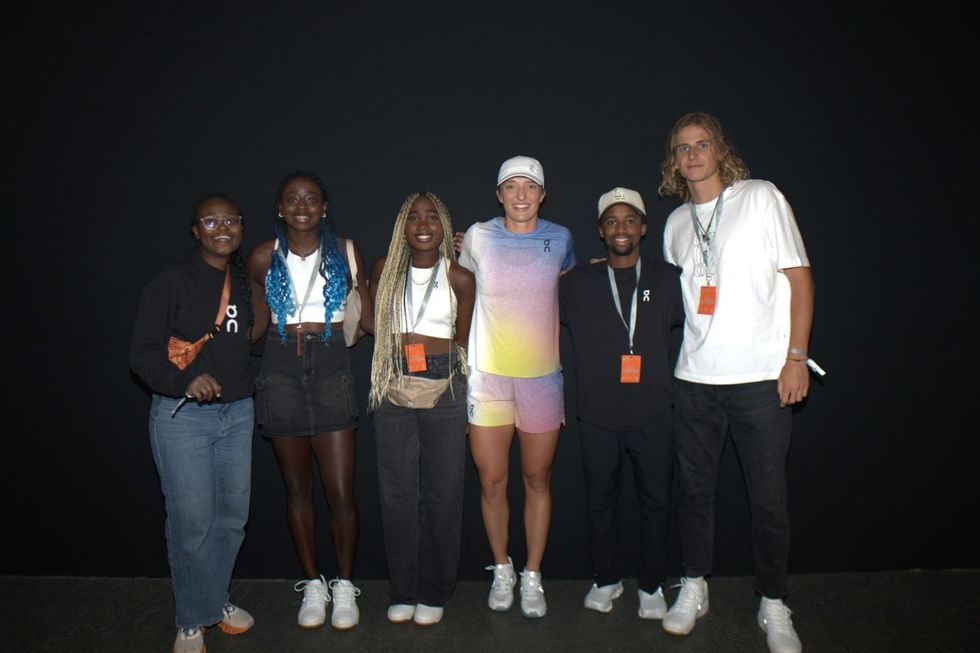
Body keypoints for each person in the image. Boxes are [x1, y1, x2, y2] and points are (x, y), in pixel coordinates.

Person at [657, 112, 814, 653]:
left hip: (760, 379)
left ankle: (773, 602)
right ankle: (694, 586)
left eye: (702, 145)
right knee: (694, 493)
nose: (693, 154)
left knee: (768, 500)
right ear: (673, 161)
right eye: (683, 148)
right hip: (694, 379)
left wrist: (796, 356)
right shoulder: (676, 224)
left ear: (720, 151)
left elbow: (799, 276)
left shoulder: (761, 197)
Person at [246, 171, 373, 631]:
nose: (302, 205)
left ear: (324, 207)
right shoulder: (262, 256)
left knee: (341, 491)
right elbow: (255, 327)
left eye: (312, 198)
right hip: (280, 366)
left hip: (331, 362)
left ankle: (343, 584)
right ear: (280, 208)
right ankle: (313, 584)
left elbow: (373, 320)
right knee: (298, 490)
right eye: (292, 199)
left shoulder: (345, 252)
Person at [130, 193, 256, 653]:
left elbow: (245, 341)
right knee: (191, 524)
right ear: (195, 229)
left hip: (238, 414)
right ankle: (189, 619)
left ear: (241, 227)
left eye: (231, 221)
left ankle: (213, 601)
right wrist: (183, 380)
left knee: (230, 520)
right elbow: (141, 354)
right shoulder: (171, 281)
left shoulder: (242, 282)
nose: (222, 228)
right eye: (211, 221)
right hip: (183, 418)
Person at [455, 155, 575, 618]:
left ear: (542, 194)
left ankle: (532, 575)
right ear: (499, 194)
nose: (521, 195)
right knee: (491, 482)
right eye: (512, 187)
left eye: (530, 187)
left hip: (543, 381)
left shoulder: (560, 238)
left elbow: (568, 281)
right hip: (488, 379)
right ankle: (502, 568)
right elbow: (460, 282)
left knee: (537, 479)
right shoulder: (480, 237)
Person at [559, 187, 684, 619]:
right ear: (600, 230)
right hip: (596, 414)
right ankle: (607, 578)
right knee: (600, 502)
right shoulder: (576, 282)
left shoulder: (669, 279)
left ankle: (651, 584)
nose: (621, 228)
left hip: (653, 411)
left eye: (630, 220)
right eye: (612, 221)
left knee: (656, 501)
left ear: (644, 228)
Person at [367, 192, 475, 626]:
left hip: (445, 382)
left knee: (443, 492)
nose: (423, 223)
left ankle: (434, 589)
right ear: (402, 226)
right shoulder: (383, 271)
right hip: (391, 381)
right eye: (413, 217)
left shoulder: (461, 277)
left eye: (432, 216)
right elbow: (372, 325)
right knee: (397, 493)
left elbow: (465, 342)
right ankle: (404, 589)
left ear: (445, 225)